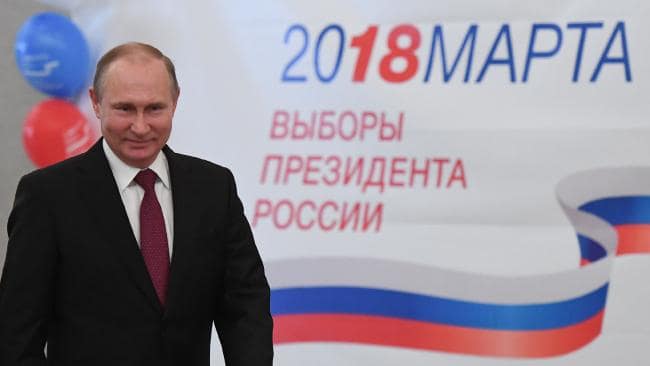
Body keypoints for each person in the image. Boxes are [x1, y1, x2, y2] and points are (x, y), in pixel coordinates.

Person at [0, 42, 273, 366]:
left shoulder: (214, 188)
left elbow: (245, 308)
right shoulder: (47, 196)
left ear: (175, 102)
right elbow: (16, 337)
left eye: (154, 108)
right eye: (125, 109)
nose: (140, 127)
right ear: (96, 103)